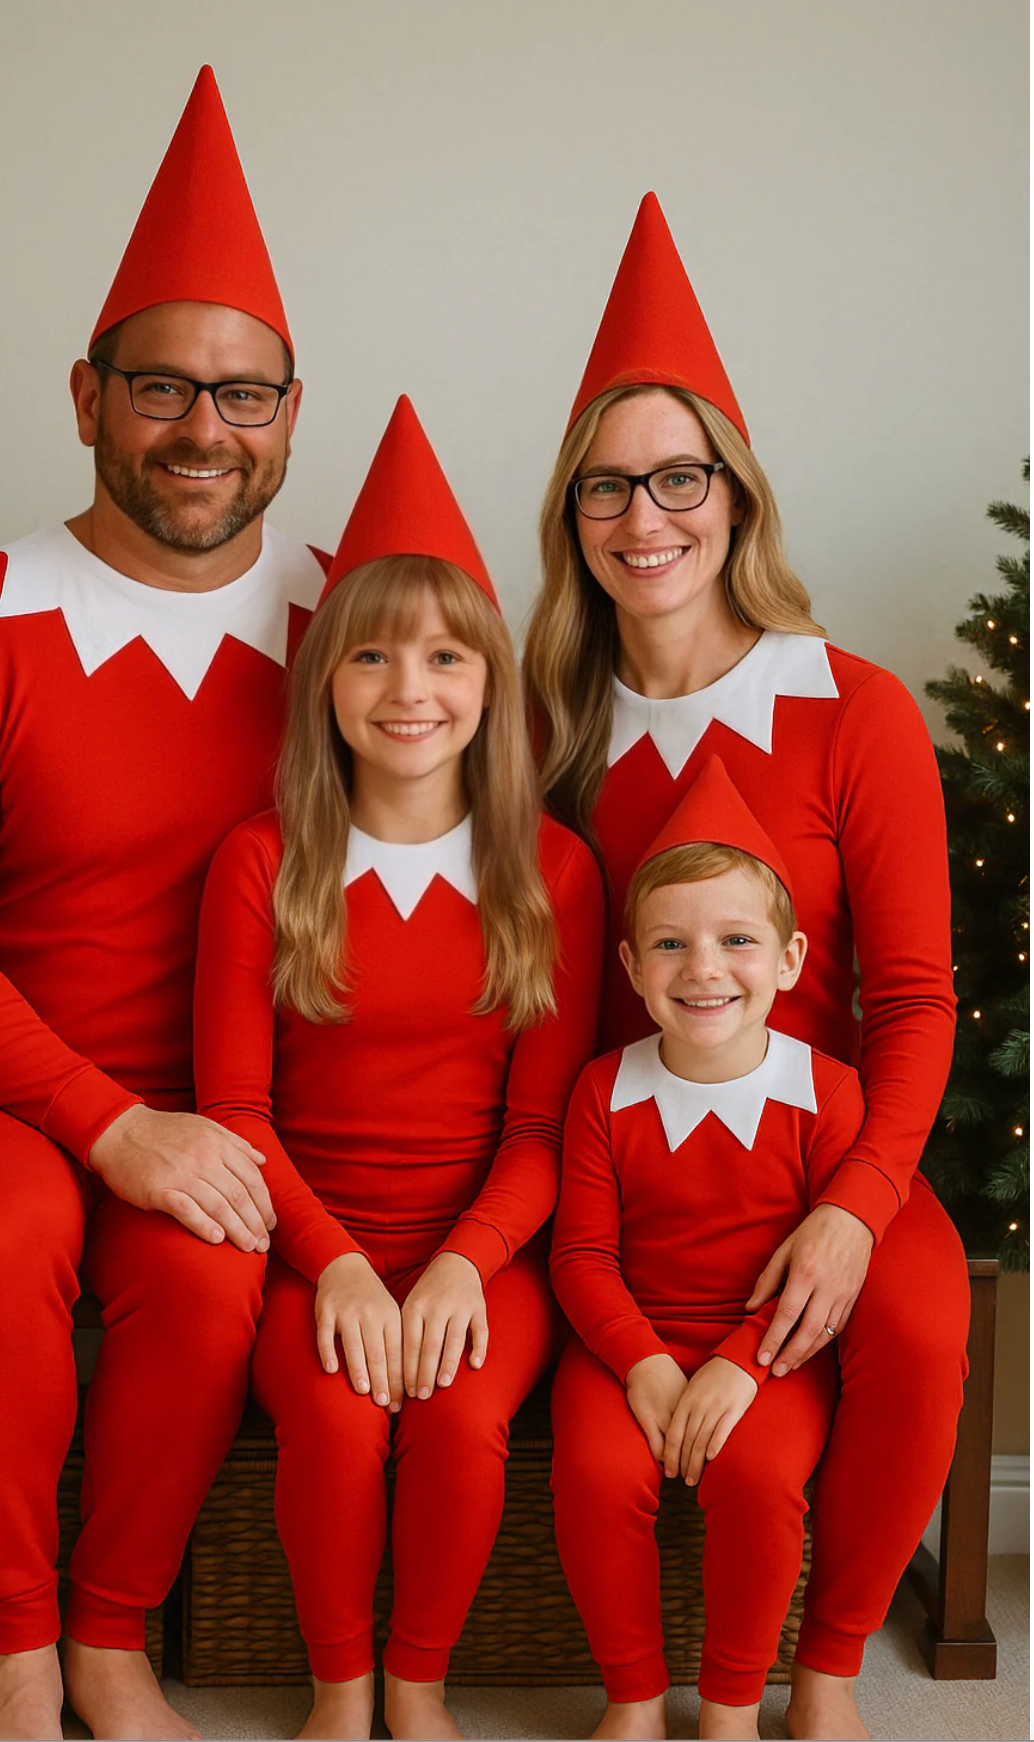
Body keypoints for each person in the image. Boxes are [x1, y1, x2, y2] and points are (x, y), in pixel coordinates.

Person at [0, 68, 327, 1742]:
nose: (203, 429)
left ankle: (113, 1637)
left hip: (227, 1106)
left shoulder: (363, 635)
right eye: (161, 388)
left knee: (205, 1276)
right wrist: (106, 1122)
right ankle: (16, 1645)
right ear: (85, 397)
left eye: (242, 394)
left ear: (288, 411)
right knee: (1, 1233)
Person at [522, 193, 970, 1742]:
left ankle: (826, 1668)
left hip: (830, 1137)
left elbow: (912, 997)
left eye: (676, 478)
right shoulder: (543, 725)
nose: (643, 519)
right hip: (625, 1154)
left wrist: (854, 1208)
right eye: (604, 488)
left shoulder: (851, 709)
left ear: (734, 493)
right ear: (567, 515)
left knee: (913, 1318)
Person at [194, 396, 603, 1742]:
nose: (408, 690)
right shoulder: (263, 861)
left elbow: (544, 1123)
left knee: (456, 1414)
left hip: (485, 1246)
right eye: (369, 656)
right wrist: (340, 1260)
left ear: (488, 680)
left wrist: (459, 1263)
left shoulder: (550, 869)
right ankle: (340, 1689)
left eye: (441, 657)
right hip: (310, 1242)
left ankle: (417, 1688)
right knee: (334, 1419)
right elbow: (236, 1110)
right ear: (324, 683)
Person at [551, 758, 860, 1741]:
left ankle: (730, 1708)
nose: (703, 967)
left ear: (789, 957)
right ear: (632, 966)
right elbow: (581, 1256)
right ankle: (634, 1697)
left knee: (761, 1481)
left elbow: (824, 1278)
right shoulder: (603, 1089)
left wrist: (740, 1361)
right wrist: (641, 1363)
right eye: (671, 944)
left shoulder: (829, 1092)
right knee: (594, 1476)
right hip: (624, 1342)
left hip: (769, 1352)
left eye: (736, 940)